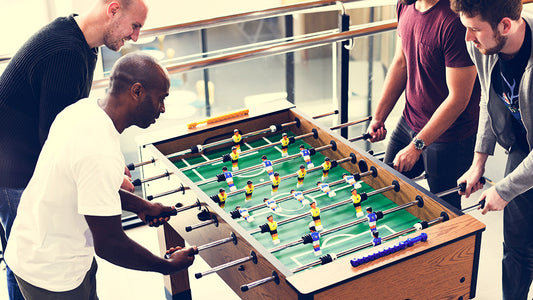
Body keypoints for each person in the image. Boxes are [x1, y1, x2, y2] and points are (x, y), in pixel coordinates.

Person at [4, 52, 196, 299]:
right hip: (51, 274)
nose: (162, 108)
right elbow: (110, 244)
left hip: (45, 248)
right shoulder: (100, 151)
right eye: (161, 98)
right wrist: (167, 266)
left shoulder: (83, 110)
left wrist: (141, 205)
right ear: (136, 92)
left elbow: (85, 189)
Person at [0, 1, 148, 298]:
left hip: (26, 160)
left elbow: (75, 120)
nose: (135, 37)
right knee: (27, 261)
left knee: (30, 254)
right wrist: (107, 176)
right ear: (114, 9)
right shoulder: (65, 52)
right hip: (14, 172)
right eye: (135, 26)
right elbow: (57, 142)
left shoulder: (84, 45)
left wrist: (111, 164)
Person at [451, 0, 533, 298]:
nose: (467, 39)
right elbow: (488, 98)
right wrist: (478, 164)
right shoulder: (482, 46)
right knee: (516, 247)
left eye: (474, 30)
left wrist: (504, 190)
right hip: (522, 149)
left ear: (505, 25)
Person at [366, 0, 481, 210]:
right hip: (409, 120)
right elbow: (401, 62)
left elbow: (458, 100)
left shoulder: (455, 21)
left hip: (450, 136)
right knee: (383, 190)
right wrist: (378, 116)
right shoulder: (405, 5)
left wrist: (417, 145)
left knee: (444, 213)